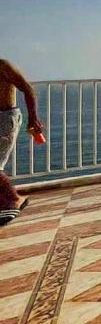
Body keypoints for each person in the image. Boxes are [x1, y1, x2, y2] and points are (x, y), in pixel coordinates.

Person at [1, 59, 42, 225]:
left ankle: (15, 198)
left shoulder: (3, 66)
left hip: (5, 119)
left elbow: (27, 89)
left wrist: (33, 118)